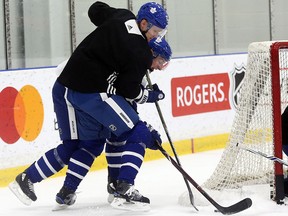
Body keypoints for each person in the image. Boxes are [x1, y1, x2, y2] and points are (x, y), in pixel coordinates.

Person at [9, 1, 169, 211]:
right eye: (156, 32)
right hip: (91, 91)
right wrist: (149, 97)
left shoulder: (123, 16)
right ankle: (123, 189)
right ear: (144, 24)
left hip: (65, 85)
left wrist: (107, 37)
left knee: (81, 145)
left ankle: (28, 180)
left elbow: (95, 10)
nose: (156, 37)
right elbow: (127, 90)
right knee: (137, 132)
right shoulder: (139, 51)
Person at [105, 37, 172, 208]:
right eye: (160, 61)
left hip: (102, 103)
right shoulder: (137, 63)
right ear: (152, 53)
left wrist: (147, 92)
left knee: (116, 139)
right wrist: (151, 96)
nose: (159, 66)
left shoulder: (133, 58)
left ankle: (115, 186)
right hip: (108, 103)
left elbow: (129, 92)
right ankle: (124, 185)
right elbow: (130, 92)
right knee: (141, 134)